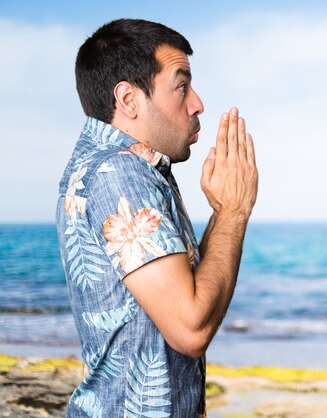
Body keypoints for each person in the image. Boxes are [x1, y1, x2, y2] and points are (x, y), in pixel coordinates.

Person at [55, 18, 258, 417]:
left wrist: (222, 211)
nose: (197, 102)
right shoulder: (119, 174)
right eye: (181, 85)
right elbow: (190, 328)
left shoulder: (124, 168)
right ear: (128, 100)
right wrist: (234, 212)